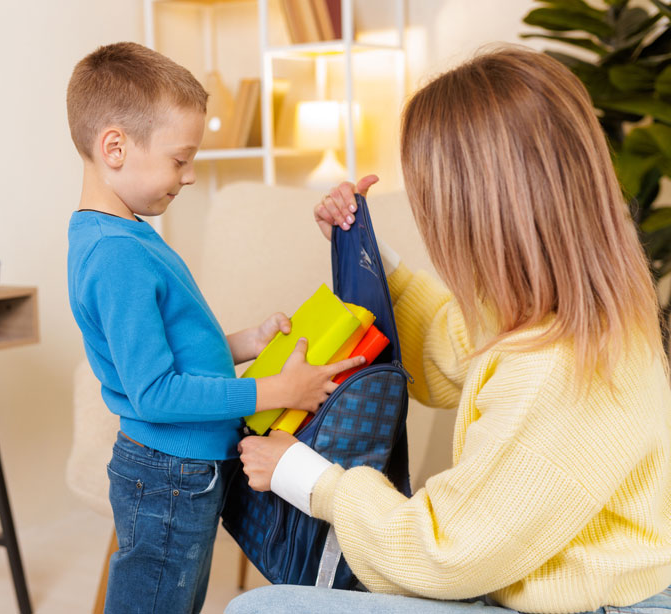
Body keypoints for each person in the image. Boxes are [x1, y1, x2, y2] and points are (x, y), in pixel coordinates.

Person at [228, 47, 671, 614]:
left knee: (258, 610)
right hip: (541, 592)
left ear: (480, 213)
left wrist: (308, 478)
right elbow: (448, 344)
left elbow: (445, 552)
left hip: (587, 608)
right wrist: (366, 257)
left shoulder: (564, 371)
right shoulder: (562, 315)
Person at [65, 42, 364, 614]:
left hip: (183, 467)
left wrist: (247, 343)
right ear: (115, 147)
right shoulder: (116, 256)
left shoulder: (125, 236)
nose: (191, 175)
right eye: (180, 159)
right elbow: (155, 393)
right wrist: (277, 390)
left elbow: (169, 356)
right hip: (169, 474)